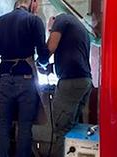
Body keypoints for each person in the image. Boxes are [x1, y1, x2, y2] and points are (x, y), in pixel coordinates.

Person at [0, 0, 49, 157]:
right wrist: (43, 62)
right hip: (26, 78)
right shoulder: (34, 21)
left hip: (5, 78)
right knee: (25, 125)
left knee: (3, 124)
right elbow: (42, 54)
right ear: (32, 3)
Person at [47, 13, 93, 157]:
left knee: (62, 129)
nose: (50, 32)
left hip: (71, 82)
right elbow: (74, 55)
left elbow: (50, 47)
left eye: (50, 30)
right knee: (72, 129)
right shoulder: (81, 28)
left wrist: (41, 60)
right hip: (85, 80)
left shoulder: (61, 20)